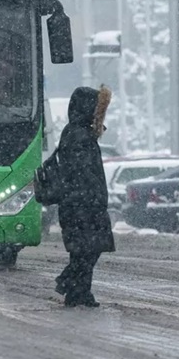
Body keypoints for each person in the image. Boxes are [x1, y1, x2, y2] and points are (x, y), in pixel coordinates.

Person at [50, 85, 115, 307]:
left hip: (80, 204)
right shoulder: (80, 135)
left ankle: (79, 292)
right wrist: (93, 198)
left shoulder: (75, 131)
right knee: (89, 250)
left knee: (84, 251)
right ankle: (70, 284)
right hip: (83, 205)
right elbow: (83, 173)